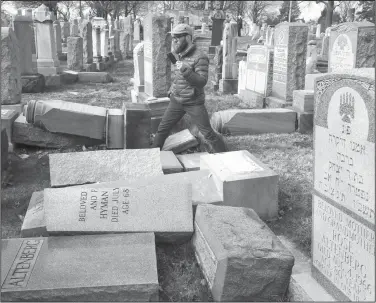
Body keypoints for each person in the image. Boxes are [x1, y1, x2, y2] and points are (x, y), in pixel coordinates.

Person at [152, 23, 227, 153]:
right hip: (177, 100)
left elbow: (201, 81)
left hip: (193, 102)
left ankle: (225, 155)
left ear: (187, 38)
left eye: (178, 37)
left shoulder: (200, 57)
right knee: (162, 129)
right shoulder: (181, 53)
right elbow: (178, 77)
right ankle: (151, 156)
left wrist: (185, 69)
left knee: (207, 133)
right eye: (173, 37)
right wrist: (172, 90)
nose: (174, 40)